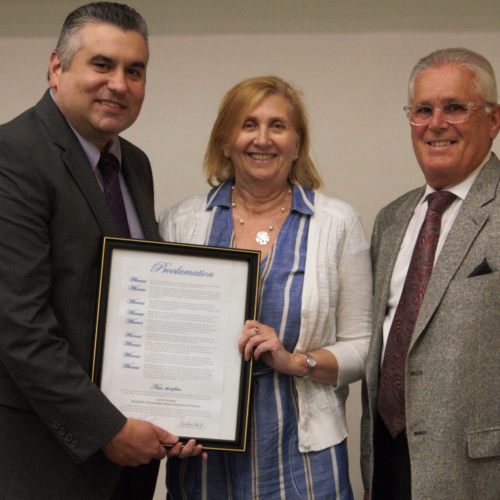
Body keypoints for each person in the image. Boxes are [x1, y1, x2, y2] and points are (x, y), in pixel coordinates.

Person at [0, 3, 202, 500]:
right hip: (47, 461)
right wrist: (106, 428)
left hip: (133, 459)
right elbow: (19, 325)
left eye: (135, 71)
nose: (119, 83)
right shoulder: (15, 154)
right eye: (102, 64)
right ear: (56, 67)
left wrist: (185, 408)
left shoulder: (134, 164)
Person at [159, 76, 373, 499]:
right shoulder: (180, 223)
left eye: (278, 126)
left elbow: (364, 345)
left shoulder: (336, 224)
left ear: (297, 143)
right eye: (248, 124)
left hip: (303, 454)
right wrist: (167, 418)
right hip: (203, 456)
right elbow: (161, 343)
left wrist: (296, 361)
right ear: (225, 141)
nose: (263, 139)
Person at [361, 47, 500, 500]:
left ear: (494, 120)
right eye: (423, 110)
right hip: (387, 464)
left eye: (455, 107)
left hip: (478, 474)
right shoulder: (391, 219)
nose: (436, 123)